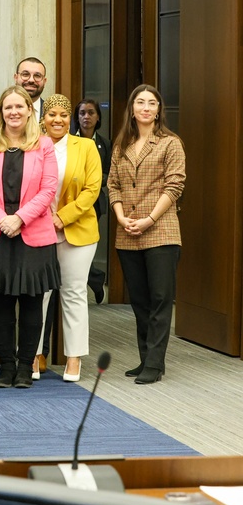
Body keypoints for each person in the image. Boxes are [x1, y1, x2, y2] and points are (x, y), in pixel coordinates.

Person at [0, 85, 60, 389]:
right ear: (1, 112)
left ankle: (25, 368)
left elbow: (49, 189)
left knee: (33, 304)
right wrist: (1, 220)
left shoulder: (44, 145)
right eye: (8, 107)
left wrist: (20, 218)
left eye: (19, 107)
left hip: (33, 234)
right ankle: (6, 367)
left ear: (28, 111)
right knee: (2, 305)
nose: (13, 112)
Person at [108, 84, 185, 385]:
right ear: (132, 108)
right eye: (140, 102)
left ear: (158, 110)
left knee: (161, 298)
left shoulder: (170, 143)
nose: (146, 108)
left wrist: (150, 219)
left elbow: (175, 186)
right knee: (139, 301)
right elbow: (112, 184)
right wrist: (120, 216)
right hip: (127, 232)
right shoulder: (121, 144)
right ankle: (145, 358)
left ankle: (155, 362)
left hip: (162, 231)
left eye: (152, 103)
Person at [35, 95, 102, 382]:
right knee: (37, 295)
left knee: (74, 293)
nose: (58, 119)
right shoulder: (32, 145)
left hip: (77, 231)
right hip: (38, 231)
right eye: (52, 114)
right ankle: (34, 354)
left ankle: (73, 358)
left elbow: (92, 189)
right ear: (43, 119)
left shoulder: (85, 146)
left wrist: (63, 217)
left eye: (64, 114)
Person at [73, 98, 111, 303]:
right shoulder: (69, 139)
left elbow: (109, 174)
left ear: (98, 117)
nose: (86, 117)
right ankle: (95, 278)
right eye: (82, 113)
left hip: (94, 204)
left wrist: (92, 180)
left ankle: (92, 278)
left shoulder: (104, 144)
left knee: (83, 249)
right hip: (69, 204)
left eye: (90, 113)